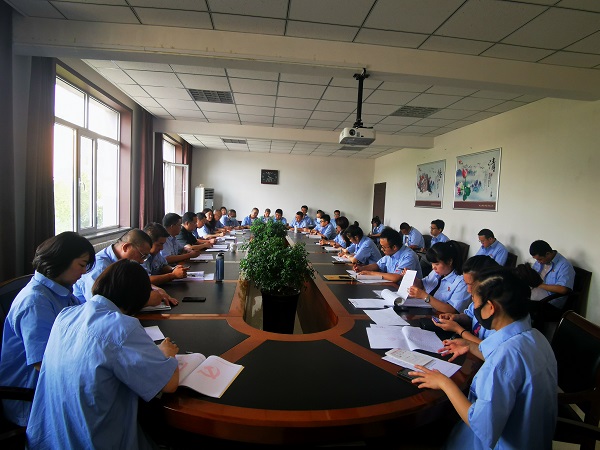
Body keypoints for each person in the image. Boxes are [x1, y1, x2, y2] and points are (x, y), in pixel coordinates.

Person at [26, 259, 179, 449]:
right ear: (138, 297)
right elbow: (169, 384)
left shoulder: (66, 315)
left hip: (48, 438)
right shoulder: (123, 327)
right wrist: (167, 354)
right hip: (93, 441)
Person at [410, 269, 558, 450]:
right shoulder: (536, 337)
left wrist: (444, 382)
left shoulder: (503, 358)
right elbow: (508, 364)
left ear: (490, 307)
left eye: (474, 302)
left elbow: (480, 425)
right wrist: (471, 346)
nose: (474, 308)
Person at [0, 232, 95, 427]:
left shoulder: (60, 291)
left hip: (56, 379)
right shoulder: (35, 302)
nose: (84, 272)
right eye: (82, 264)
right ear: (61, 261)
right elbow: (43, 363)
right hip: (33, 393)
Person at [73, 229, 177, 307]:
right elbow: (100, 306)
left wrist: (156, 289)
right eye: (142, 256)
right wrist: (145, 301)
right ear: (126, 247)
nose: (142, 261)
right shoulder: (99, 267)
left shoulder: (123, 263)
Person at [433, 255, 500, 345]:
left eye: (470, 285)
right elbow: (470, 316)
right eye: (466, 284)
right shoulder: (477, 300)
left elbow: (487, 348)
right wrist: (455, 317)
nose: (468, 290)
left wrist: (458, 329)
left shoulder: (498, 310)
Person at [408, 241, 470, 313]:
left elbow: (452, 310)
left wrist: (425, 296)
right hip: (426, 310)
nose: (433, 267)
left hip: (441, 316)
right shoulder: (437, 272)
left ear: (449, 262)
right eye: (432, 263)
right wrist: (413, 279)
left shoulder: (462, 282)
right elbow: (422, 285)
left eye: (437, 264)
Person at [354, 227, 422, 282]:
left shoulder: (408, 256)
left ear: (394, 247)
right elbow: (378, 265)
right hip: (391, 285)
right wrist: (362, 268)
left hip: (407, 291)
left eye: (384, 247)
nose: (381, 249)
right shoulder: (390, 254)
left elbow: (396, 277)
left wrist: (371, 273)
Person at [528, 240, 575, 309]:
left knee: (521, 300)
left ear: (548, 254)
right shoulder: (541, 261)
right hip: (538, 290)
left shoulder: (565, 266)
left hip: (550, 300)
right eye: (537, 260)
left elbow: (563, 289)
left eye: (540, 259)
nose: (538, 262)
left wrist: (539, 285)